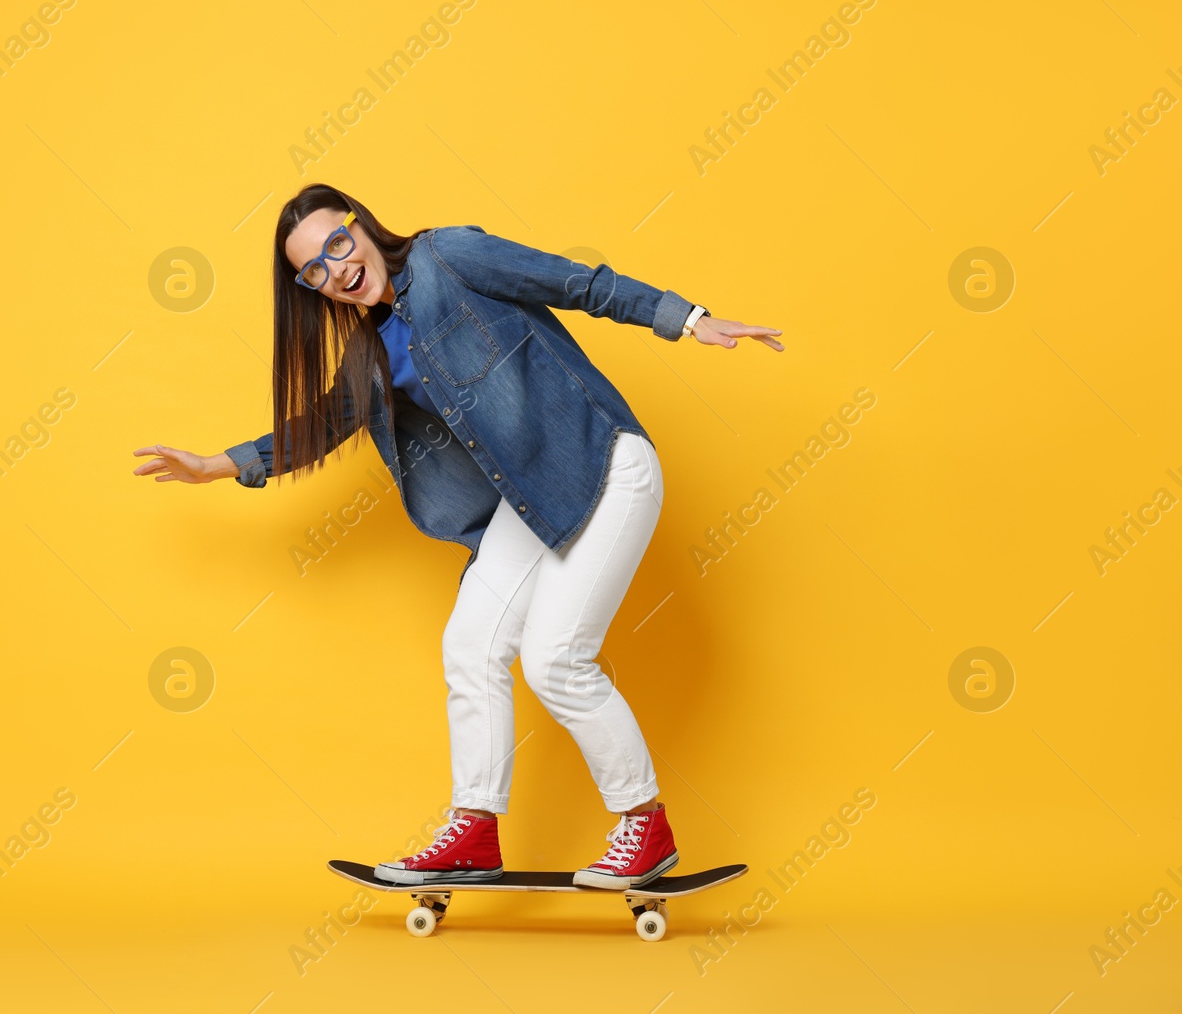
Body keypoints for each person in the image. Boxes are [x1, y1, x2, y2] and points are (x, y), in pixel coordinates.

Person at [133, 183, 782, 890]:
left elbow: (573, 283)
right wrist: (216, 466)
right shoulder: (368, 356)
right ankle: (474, 830)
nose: (337, 269)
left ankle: (643, 825)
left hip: (601, 460)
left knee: (555, 660)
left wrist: (687, 319)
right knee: (469, 648)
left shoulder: (451, 256)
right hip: (528, 497)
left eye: (337, 245)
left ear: (360, 225)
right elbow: (322, 423)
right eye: (314, 271)